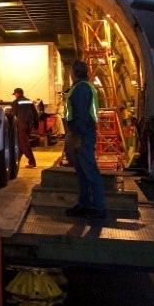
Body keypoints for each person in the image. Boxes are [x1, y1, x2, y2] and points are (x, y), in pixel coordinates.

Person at [63, 61, 106, 220]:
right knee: (82, 173)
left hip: (82, 135)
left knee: (90, 172)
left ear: (74, 72)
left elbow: (81, 115)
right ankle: (85, 204)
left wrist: (78, 136)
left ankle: (98, 208)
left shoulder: (81, 89)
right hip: (82, 134)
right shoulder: (84, 87)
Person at [11, 88, 37, 168]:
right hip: (29, 125)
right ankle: (15, 162)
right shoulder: (29, 101)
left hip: (21, 124)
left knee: (24, 143)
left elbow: (14, 115)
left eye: (15, 94)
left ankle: (32, 162)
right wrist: (36, 124)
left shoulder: (16, 102)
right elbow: (35, 113)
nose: (15, 95)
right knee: (20, 143)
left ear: (18, 93)